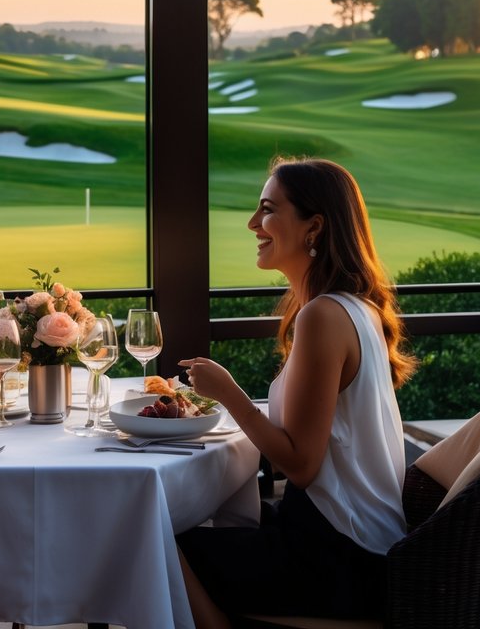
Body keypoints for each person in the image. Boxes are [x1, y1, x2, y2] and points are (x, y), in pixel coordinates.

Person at [176, 156, 418, 628]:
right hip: (352, 543)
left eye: (268, 209)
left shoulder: (323, 317)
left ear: (314, 227)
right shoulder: (354, 308)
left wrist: (228, 393)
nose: (252, 224)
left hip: (340, 558)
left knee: (155, 546)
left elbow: (302, 466)